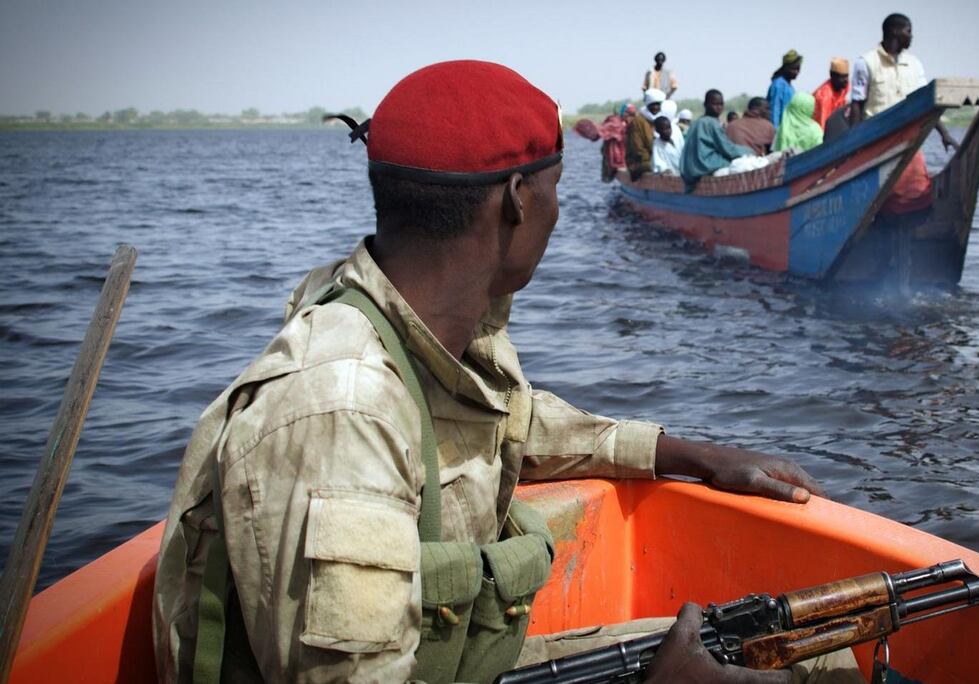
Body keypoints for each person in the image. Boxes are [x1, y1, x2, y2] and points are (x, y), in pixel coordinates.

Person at [153, 60, 853, 683]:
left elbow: (508, 421)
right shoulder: (339, 412)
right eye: (556, 188)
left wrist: (694, 455)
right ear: (518, 197)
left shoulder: (430, 325)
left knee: (815, 658)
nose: (558, 211)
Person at [849, 13, 956, 213]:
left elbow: (927, 104)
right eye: (909, 31)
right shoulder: (866, 62)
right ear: (895, 31)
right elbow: (857, 104)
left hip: (910, 141)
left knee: (916, 192)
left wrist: (944, 134)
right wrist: (853, 146)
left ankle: (913, 223)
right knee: (878, 196)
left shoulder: (914, 64)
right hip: (876, 142)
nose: (911, 36)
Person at [681, 89, 757, 189]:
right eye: (715, 104)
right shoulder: (711, 123)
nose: (719, 108)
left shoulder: (697, 122)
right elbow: (728, 149)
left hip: (692, 168)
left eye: (721, 104)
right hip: (704, 165)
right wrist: (750, 151)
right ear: (705, 105)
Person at [626, 88, 666, 179]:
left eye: (658, 104)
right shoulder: (638, 122)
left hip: (655, 158)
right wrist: (655, 160)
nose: (656, 107)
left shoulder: (658, 119)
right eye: (653, 105)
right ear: (648, 105)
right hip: (639, 162)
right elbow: (638, 149)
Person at [811, 58, 851, 129]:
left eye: (846, 76)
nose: (846, 80)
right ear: (832, 75)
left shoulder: (844, 86)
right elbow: (822, 125)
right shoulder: (824, 96)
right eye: (842, 77)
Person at [767, 49, 802, 129]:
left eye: (798, 69)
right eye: (793, 69)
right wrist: (775, 131)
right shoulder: (778, 85)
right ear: (785, 68)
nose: (796, 72)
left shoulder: (790, 87)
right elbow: (775, 110)